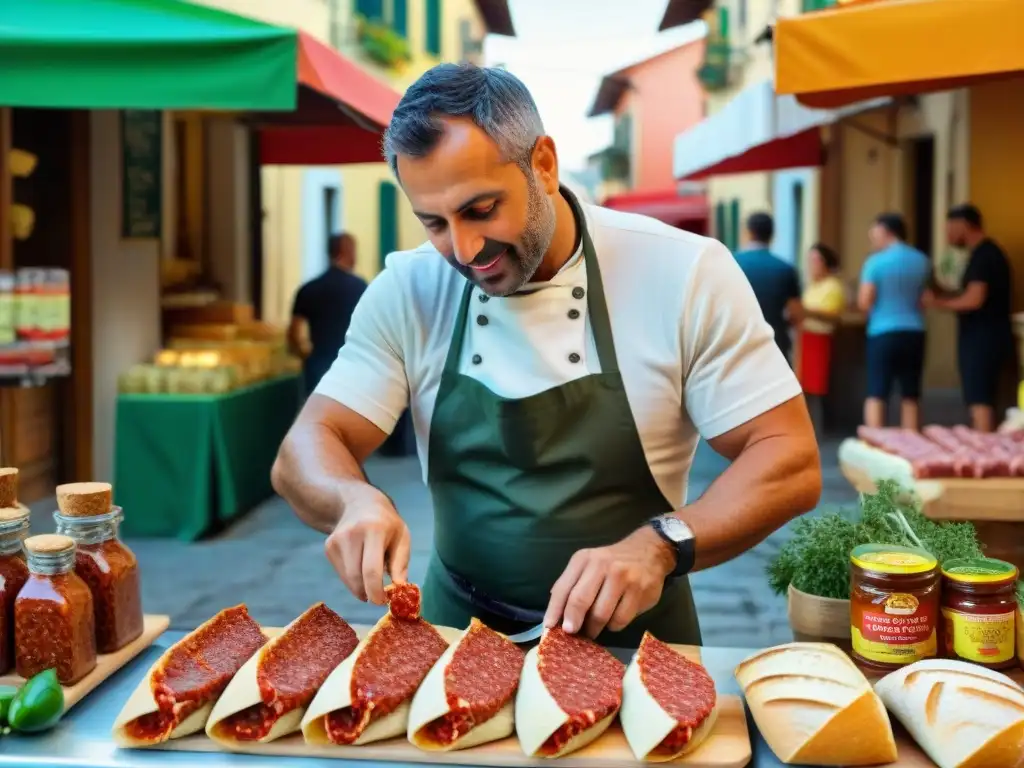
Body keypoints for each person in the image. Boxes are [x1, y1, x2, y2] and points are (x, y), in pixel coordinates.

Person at [271, 63, 821, 648]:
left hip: (638, 645)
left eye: (482, 210)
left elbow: (787, 456)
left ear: (544, 165)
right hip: (453, 634)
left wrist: (661, 544)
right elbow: (304, 449)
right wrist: (352, 499)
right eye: (434, 222)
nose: (464, 249)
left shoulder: (683, 272)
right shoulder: (409, 287)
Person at [925, 204, 1013, 432]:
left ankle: (983, 457)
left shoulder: (985, 255)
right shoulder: (984, 254)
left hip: (983, 340)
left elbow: (974, 299)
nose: (948, 235)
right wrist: (940, 290)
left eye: (950, 228)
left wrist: (937, 303)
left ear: (964, 225)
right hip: (986, 337)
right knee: (983, 399)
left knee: (980, 400)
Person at [857, 212, 931, 430]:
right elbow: (925, 298)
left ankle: (876, 444)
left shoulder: (875, 262)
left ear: (886, 231)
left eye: (874, 231)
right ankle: (912, 442)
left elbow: (865, 301)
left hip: (882, 331)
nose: (871, 236)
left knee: (877, 391)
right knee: (911, 393)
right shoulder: (921, 260)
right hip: (915, 331)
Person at [288, 232, 368, 395]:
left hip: (318, 372)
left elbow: (294, 336)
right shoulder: (361, 288)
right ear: (349, 252)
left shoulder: (308, 289)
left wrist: (308, 356)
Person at [733, 212, 803, 363]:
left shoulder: (732, 263)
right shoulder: (786, 269)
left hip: (738, 344)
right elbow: (796, 314)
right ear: (772, 234)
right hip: (775, 344)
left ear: (748, 232)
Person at [796, 243, 846, 424]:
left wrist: (807, 312)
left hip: (821, 338)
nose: (812, 265)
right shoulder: (812, 286)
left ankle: (822, 425)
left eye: (816, 260)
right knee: (806, 386)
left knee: (819, 386)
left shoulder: (833, 286)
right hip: (807, 337)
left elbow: (832, 315)